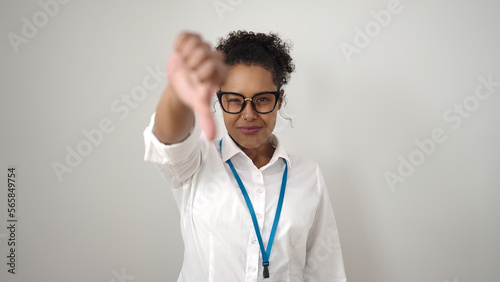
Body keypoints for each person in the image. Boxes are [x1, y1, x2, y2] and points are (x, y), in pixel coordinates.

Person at [143, 30, 346, 281]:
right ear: (219, 99)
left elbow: (323, 270)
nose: (248, 114)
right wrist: (177, 94)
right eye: (235, 99)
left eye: (261, 99)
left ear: (279, 100)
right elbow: (169, 141)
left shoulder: (308, 175)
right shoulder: (197, 163)